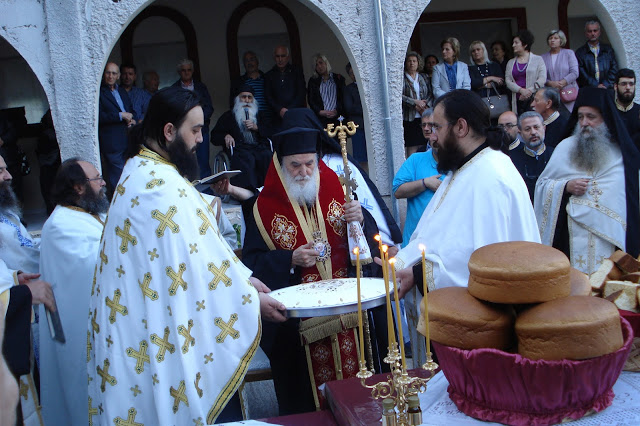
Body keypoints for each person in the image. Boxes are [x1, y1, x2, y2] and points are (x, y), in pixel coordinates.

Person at [87, 87, 286, 425]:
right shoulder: (158, 188)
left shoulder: (142, 174)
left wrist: (243, 279)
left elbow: (197, 254)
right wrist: (250, 300)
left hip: (150, 330)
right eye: (194, 130)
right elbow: (193, 271)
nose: (199, 139)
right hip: (162, 340)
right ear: (168, 132)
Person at [242, 125, 386, 414]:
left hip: (349, 317)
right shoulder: (262, 208)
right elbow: (251, 266)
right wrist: (289, 259)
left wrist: (360, 218)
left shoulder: (335, 187)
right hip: (298, 330)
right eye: (295, 165)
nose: (304, 172)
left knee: (360, 401)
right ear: (281, 166)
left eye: (310, 163)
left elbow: (365, 246)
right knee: (308, 408)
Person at [391, 90, 540, 367]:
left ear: (461, 127)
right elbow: (443, 236)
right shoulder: (467, 167)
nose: (431, 136)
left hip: (482, 339)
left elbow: (486, 266)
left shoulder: (490, 176)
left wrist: (417, 271)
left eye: (436, 127)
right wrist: (407, 265)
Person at [534, 87, 640, 274]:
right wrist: (565, 186)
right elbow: (542, 185)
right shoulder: (565, 148)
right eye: (581, 116)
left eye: (591, 117)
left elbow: (627, 198)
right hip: (570, 238)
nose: (584, 123)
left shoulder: (620, 154)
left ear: (605, 118)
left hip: (609, 239)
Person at [38, 158, 108, 425]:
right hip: (80, 336)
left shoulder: (88, 215)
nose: (102, 184)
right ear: (79, 188)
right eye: (96, 179)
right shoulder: (60, 226)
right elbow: (92, 267)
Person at [0, 154, 54, 424]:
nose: (8, 176)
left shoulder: (6, 211)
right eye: (0, 171)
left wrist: (13, 277)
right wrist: (16, 292)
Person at [393, 109, 443, 246]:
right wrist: (424, 183)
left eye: (436, 129)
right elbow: (397, 191)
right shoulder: (416, 159)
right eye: (430, 131)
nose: (433, 136)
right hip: (414, 244)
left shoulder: (460, 164)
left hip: (444, 244)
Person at [211, 84, 274, 191]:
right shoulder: (228, 116)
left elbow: (271, 131)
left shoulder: (260, 115)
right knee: (247, 159)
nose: (246, 100)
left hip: (259, 148)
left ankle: (269, 190)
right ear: (237, 99)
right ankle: (249, 192)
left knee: (267, 155)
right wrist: (225, 136)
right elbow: (214, 137)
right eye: (243, 97)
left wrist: (257, 128)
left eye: (249, 97)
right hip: (240, 150)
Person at [172, 58, 214, 178]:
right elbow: (174, 110)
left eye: (189, 70)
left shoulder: (201, 87)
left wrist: (198, 121)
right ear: (179, 72)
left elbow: (209, 108)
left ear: (193, 71)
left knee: (203, 162)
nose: (186, 72)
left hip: (202, 130)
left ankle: (206, 193)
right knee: (184, 162)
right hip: (183, 131)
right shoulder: (174, 89)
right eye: (183, 70)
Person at [99, 62, 136, 190]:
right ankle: (119, 206)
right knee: (119, 178)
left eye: (114, 73)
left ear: (118, 76)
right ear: (104, 74)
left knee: (130, 175)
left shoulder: (121, 91)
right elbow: (98, 117)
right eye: (108, 73)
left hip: (127, 139)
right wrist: (120, 116)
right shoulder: (99, 92)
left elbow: (130, 110)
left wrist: (133, 119)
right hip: (112, 143)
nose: (110, 76)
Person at [508, 111, 554, 202]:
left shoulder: (555, 155)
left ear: (544, 128)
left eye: (536, 127)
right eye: (527, 129)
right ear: (520, 133)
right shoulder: (512, 160)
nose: (533, 132)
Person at [505, 30, 547, 115]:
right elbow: (508, 81)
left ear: (525, 44)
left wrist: (528, 91)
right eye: (513, 43)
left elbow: (542, 79)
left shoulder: (538, 60)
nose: (513, 45)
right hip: (517, 99)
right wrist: (521, 90)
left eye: (516, 43)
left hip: (534, 98)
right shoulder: (510, 62)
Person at [264, 46, 306, 127]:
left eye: (283, 56)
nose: (280, 59)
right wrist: (280, 109)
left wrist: (289, 110)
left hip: (296, 114)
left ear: (288, 57)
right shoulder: (269, 75)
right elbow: (268, 96)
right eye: (277, 56)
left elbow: (301, 93)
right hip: (277, 117)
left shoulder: (297, 72)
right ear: (274, 57)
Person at [541, 30, 579, 112]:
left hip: (568, 93)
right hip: (552, 94)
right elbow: (541, 76)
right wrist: (550, 83)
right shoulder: (543, 57)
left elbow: (575, 72)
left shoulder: (569, 53)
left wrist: (563, 82)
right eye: (550, 38)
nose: (552, 40)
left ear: (561, 40)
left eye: (556, 38)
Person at [403, 52, 433, 155]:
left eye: (414, 61)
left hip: (422, 114)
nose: (412, 63)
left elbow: (430, 92)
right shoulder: (402, 78)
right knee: (412, 145)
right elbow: (398, 96)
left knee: (424, 143)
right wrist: (414, 102)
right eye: (409, 61)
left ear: (418, 63)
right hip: (409, 116)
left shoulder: (423, 77)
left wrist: (424, 104)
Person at [229, 51, 271, 125]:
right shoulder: (238, 82)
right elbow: (233, 104)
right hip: (248, 121)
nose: (249, 63)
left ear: (257, 62)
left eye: (252, 59)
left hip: (269, 120)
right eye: (246, 61)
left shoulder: (268, 79)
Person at [575, 20, 618, 89]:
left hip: (607, 89)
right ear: (586, 33)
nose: (593, 33)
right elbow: (581, 73)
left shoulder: (608, 50)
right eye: (590, 31)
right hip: (589, 90)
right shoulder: (580, 52)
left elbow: (614, 68)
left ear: (599, 32)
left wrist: (605, 84)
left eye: (595, 31)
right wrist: (595, 85)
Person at [307, 53, 346, 128]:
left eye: (321, 63)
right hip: (321, 119)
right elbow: (311, 100)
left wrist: (337, 110)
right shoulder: (313, 81)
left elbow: (343, 97)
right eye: (316, 65)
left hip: (338, 118)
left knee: (339, 138)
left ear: (326, 63)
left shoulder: (338, 79)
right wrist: (320, 112)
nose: (319, 66)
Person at [343, 62, 368, 166]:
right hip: (357, 126)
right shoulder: (348, 89)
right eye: (351, 73)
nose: (354, 74)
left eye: (355, 72)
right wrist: (365, 108)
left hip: (369, 127)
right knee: (360, 158)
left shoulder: (367, 87)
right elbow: (349, 108)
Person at [614, 68, 640, 140]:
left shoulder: (638, 111)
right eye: (623, 84)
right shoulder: (609, 111)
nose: (628, 87)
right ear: (616, 86)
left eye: (631, 84)